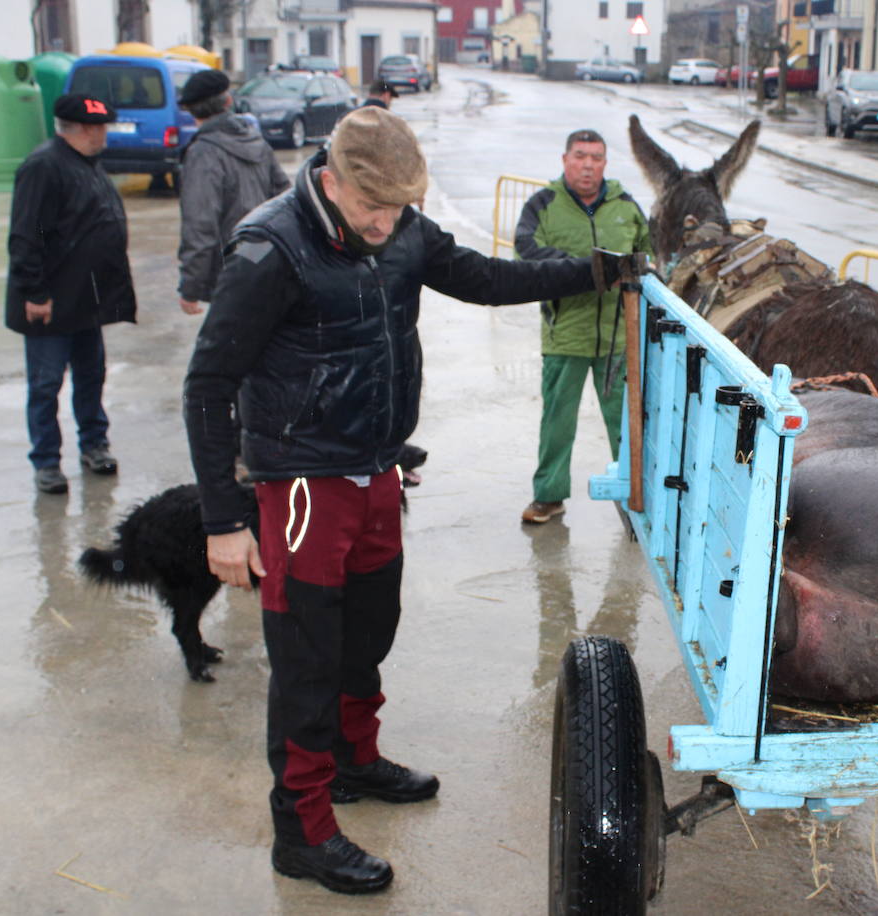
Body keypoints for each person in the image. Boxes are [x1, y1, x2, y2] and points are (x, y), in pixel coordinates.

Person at [182, 106, 616, 895]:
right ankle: (303, 828)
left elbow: (485, 279)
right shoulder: (272, 246)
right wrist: (223, 520)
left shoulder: (405, 229)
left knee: (370, 627)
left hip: (376, 467)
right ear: (331, 177)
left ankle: (354, 756)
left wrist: (591, 268)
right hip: (305, 480)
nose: (385, 224)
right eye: (370, 207)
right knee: (307, 658)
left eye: (397, 208)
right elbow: (208, 385)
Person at [514, 127, 652, 524]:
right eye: (580, 156)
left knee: (625, 423)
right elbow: (526, 249)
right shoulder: (544, 204)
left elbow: (652, 253)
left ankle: (633, 496)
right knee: (558, 421)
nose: (587, 165)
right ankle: (549, 495)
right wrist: (583, 271)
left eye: (596, 157)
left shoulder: (625, 205)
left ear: (605, 163)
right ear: (565, 160)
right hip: (566, 333)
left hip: (618, 336)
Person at [5, 93, 136, 495]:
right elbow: (27, 235)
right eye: (99, 129)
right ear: (81, 130)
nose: (104, 135)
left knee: (91, 375)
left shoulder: (87, 164)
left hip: (85, 300)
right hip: (51, 302)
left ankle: (94, 444)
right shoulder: (44, 167)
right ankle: (46, 462)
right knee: (46, 385)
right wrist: (35, 293)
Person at [176, 69, 289, 316]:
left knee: (229, 346)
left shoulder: (203, 153)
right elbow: (286, 201)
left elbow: (200, 224)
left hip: (230, 269)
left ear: (191, 110)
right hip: (264, 259)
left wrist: (191, 287)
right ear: (228, 102)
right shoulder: (256, 141)